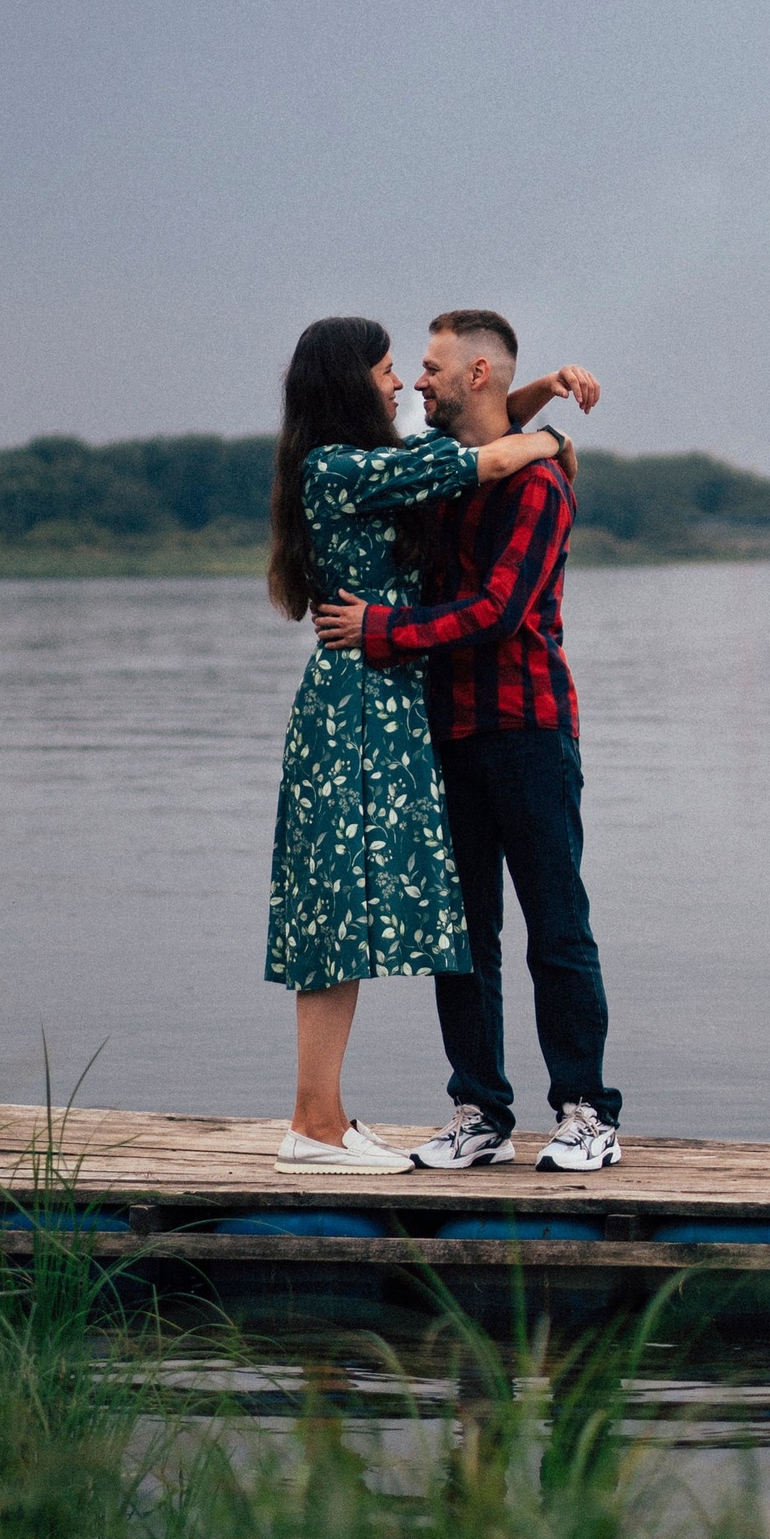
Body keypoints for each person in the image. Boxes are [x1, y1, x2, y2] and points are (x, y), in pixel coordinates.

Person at [313, 307, 617, 1173]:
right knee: (463, 932)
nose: (416, 381)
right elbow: (490, 433)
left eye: (434, 368)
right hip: (446, 731)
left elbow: (500, 612)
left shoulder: (538, 485)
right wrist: (544, 404)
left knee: (556, 927)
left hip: (527, 727)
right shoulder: (440, 471)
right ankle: (480, 1110)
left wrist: (381, 629)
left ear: (475, 375)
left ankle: (586, 1112)